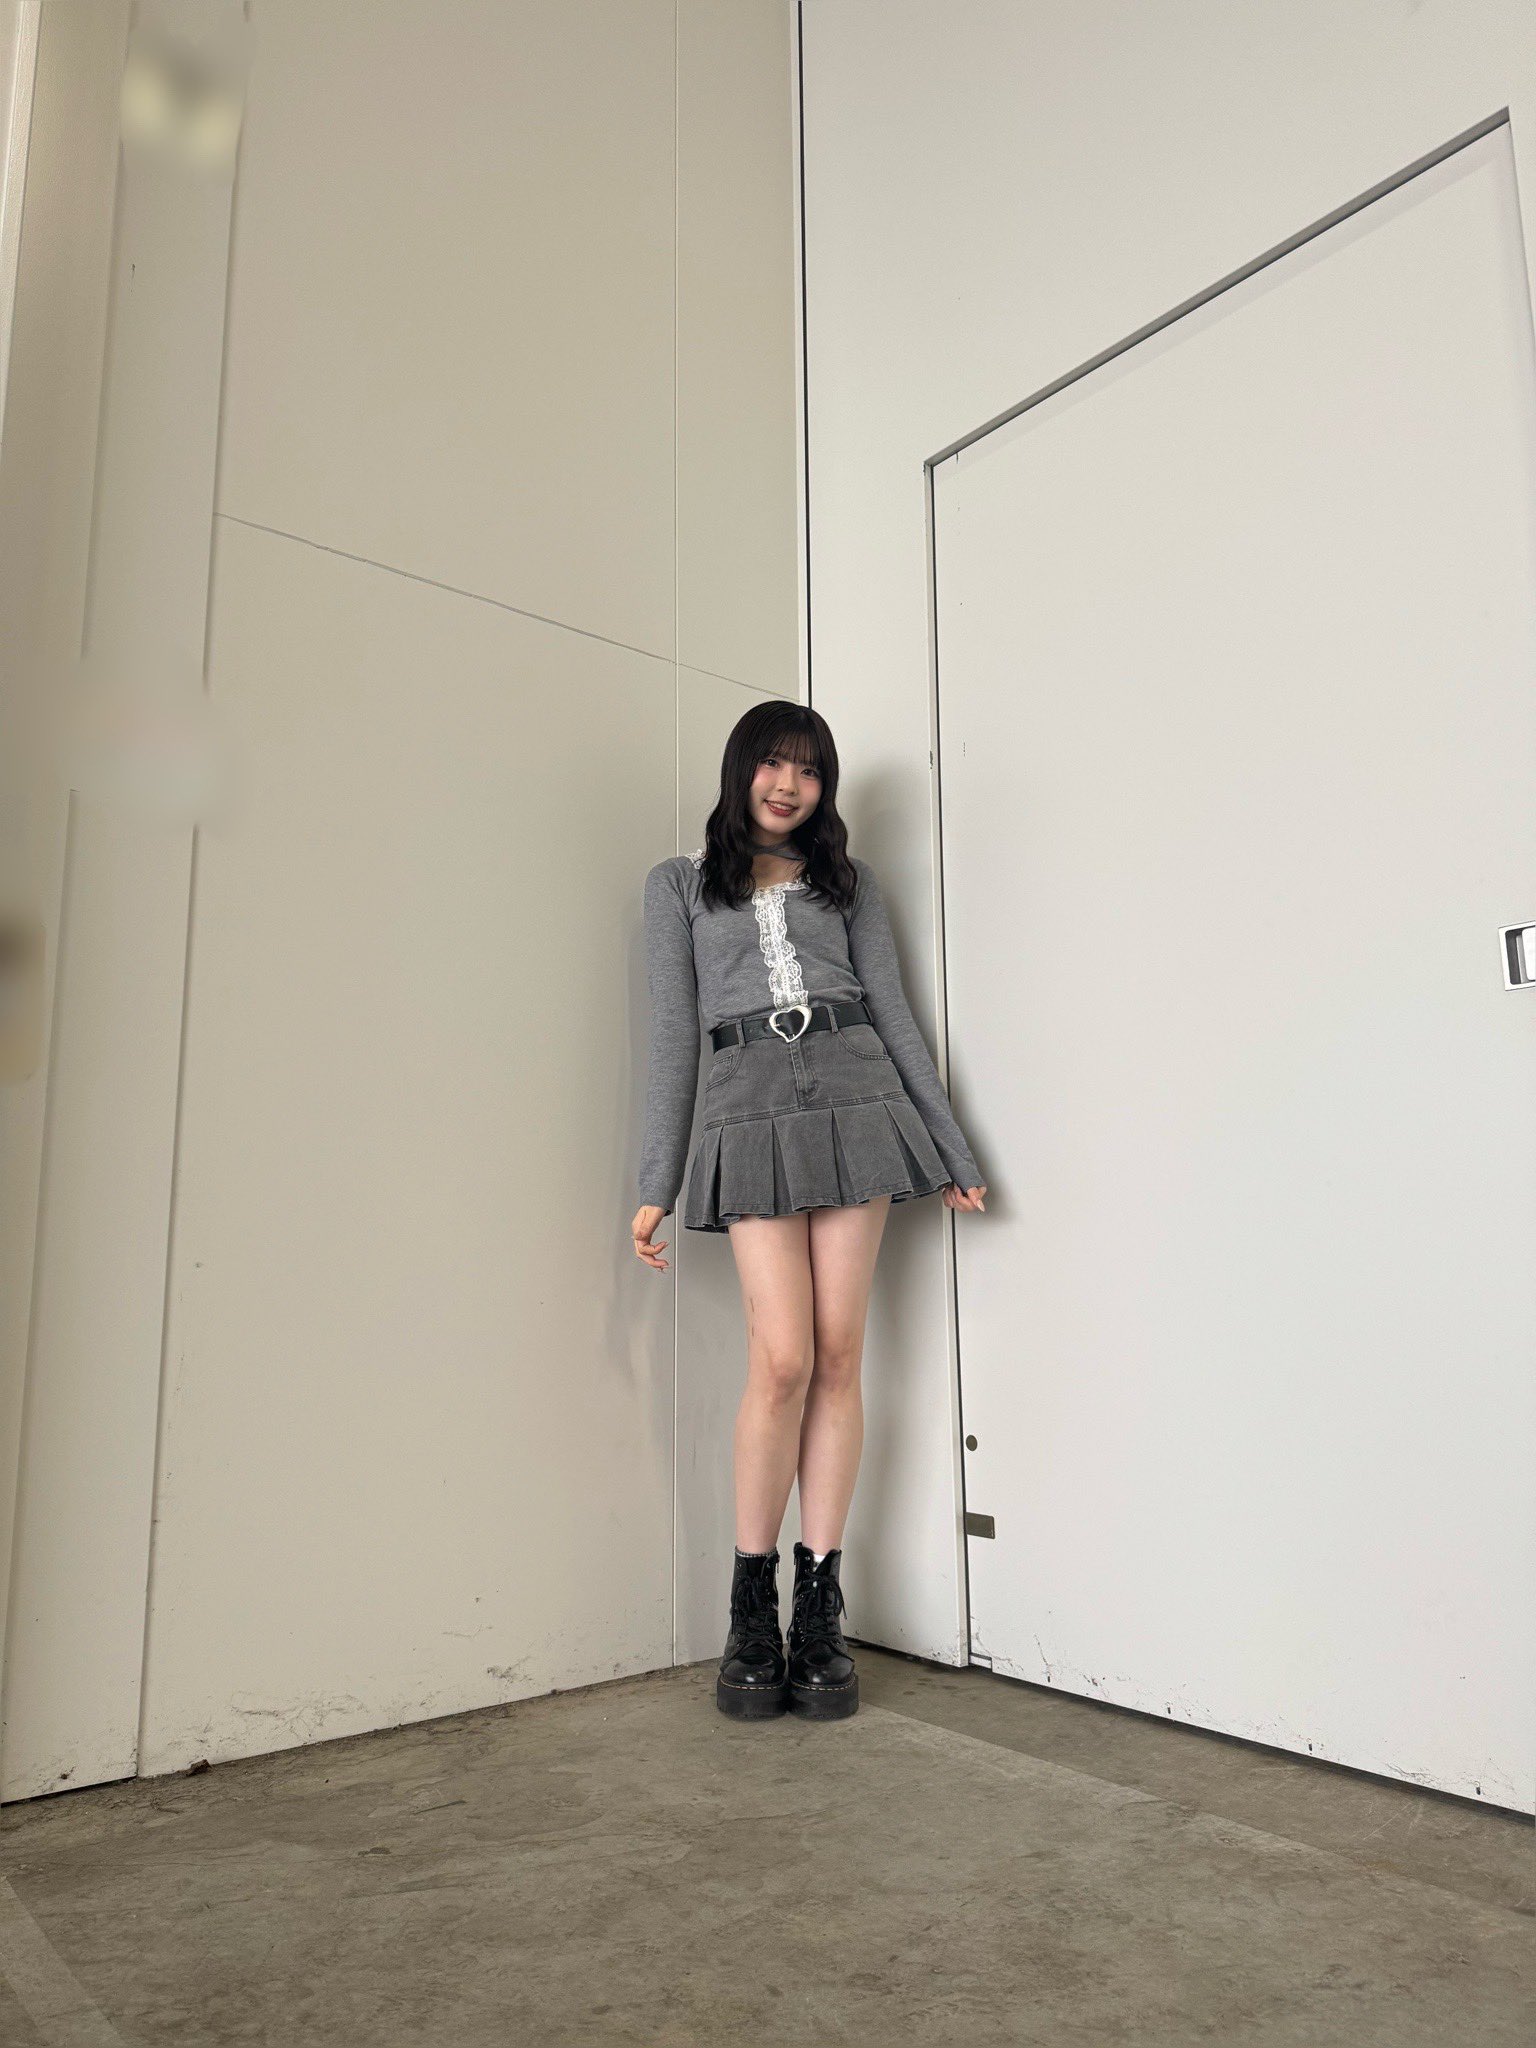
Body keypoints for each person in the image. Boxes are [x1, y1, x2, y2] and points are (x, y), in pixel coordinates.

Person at [630, 701, 987, 1721]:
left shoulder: (849, 884)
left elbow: (897, 1016)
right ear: (740, 768)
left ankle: (820, 1610)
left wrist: (951, 1148)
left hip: (857, 1099)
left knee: (838, 1354)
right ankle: (751, 1610)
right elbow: (672, 1039)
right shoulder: (678, 886)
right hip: (746, 1111)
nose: (788, 785)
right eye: (772, 764)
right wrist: (656, 1183)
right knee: (780, 1359)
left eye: (809, 769)